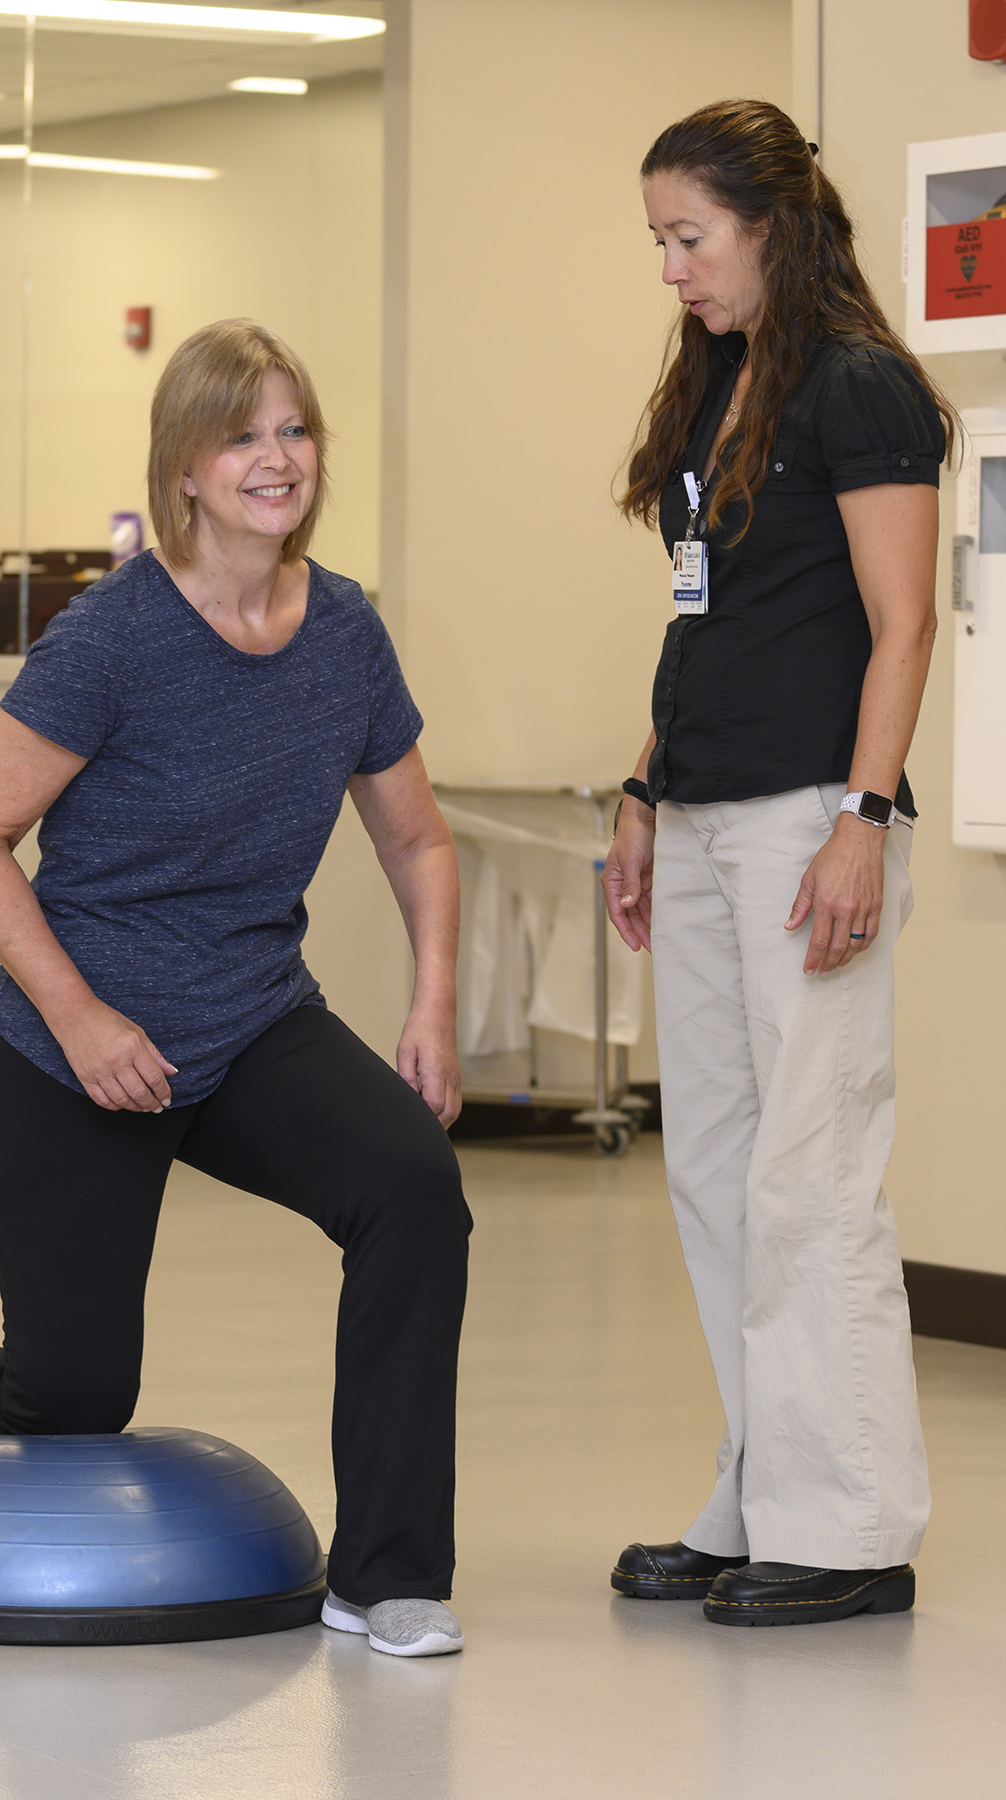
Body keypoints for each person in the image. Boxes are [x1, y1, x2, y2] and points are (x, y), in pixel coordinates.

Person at [0, 318, 471, 1660]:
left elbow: (417, 835)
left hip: (252, 1023)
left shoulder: (346, 630)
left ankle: (391, 1574)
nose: (275, 458)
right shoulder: (115, 637)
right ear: (184, 466)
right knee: (71, 1389)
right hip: (71, 1046)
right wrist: (79, 1018)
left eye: (295, 429)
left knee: (414, 1190)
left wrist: (431, 1005)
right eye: (241, 435)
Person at [603, 102, 957, 1626]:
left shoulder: (862, 389)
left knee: (812, 1175)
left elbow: (904, 625)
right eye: (660, 244)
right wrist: (640, 790)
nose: (673, 269)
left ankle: (852, 1521)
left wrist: (863, 821)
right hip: (698, 813)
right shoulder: (717, 388)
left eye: (692, 238)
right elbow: (706, 618)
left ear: (773, 223)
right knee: (719, 1173)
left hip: (813, 816)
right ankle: (761, 1489)